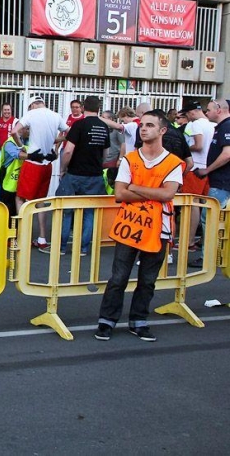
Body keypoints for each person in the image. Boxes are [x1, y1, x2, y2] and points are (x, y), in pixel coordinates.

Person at [95, 110, 183, 342]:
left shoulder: (173, 162)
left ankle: (138, 321)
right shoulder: (130, 159)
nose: (143, 129)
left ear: (162, 130)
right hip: (130, 226)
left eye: (150, 125)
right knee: (118, 277)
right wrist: (149, 194)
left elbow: (168, 194)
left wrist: (135, 188)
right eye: (142, 125)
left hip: (159, 228)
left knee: (147, 280)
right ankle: (107, 321)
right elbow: (119, 193)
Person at [10, 95, 68, 250]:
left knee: (21, 199)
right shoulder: (55, 115)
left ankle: (23, 236)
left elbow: (13, 131)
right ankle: (42, 238)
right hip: (47, 163)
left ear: (33, 105)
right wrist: (54, 145)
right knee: (41, 201)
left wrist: (21, 146)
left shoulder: (31, 114)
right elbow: (68, 133)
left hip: (33, 162)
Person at [56, 96, 109, 256]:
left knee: (67, 211)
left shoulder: (79, 125)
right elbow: (105, 154)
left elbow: (68, 151)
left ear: (84, 107)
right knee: (89, 213)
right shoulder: (104, 126)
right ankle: (83, 248)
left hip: (75, 174)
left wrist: (63, 169)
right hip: (95, 175)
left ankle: (62, 247)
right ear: (99, 108)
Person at [192, 99, 230, 267]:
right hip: (221, 182)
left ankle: (210, 258)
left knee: (213, 221)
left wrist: (207, 171)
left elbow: (227, 154)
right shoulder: (221, 127)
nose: (206, 113)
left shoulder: (226, 127)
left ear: (219, 110)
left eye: (208, 110)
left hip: (222, 183)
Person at [179, 101, 213, 250]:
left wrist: (184, 148)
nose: (187, 118)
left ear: (191, 113)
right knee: (205, 206)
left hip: (195, 168)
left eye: (186, 115)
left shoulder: (195, 124)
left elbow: (198, 145)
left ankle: (189, 241)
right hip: (208, 168)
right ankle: (203, 240)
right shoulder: (212, 124)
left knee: (191, 204)